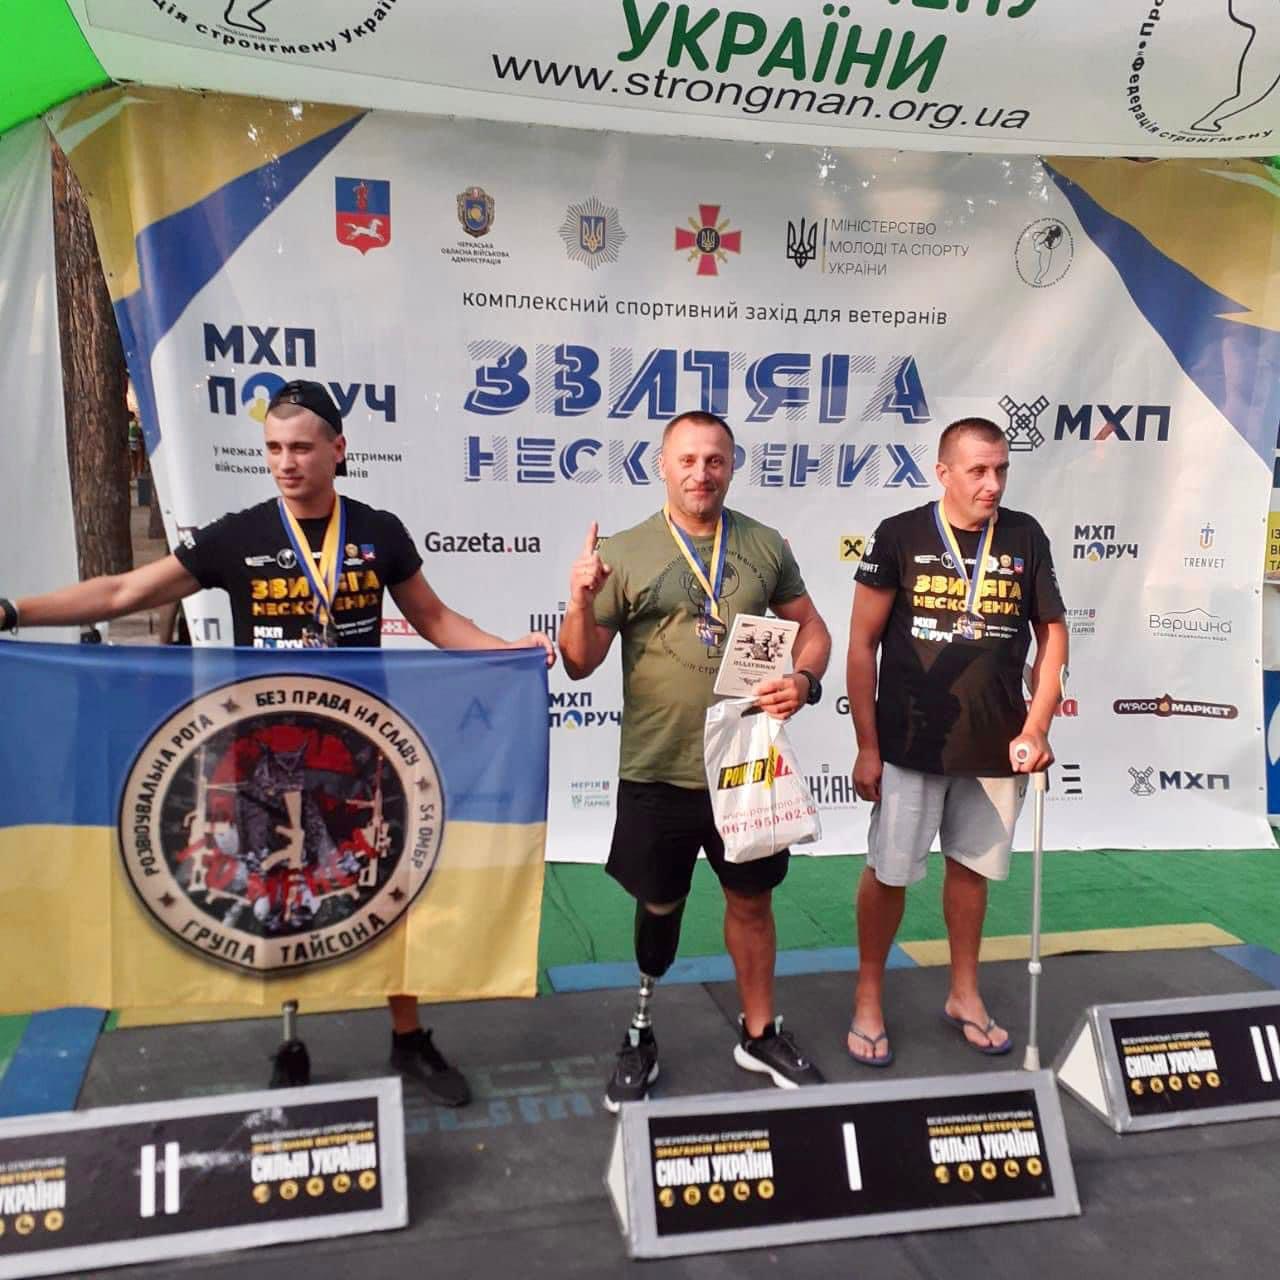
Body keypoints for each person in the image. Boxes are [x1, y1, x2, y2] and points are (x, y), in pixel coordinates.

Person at [0, 379, 554, 1107]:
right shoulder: (239, 535)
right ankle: (291, 1041)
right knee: (280, 895)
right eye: (273, 449)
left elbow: (436, 620)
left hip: (360, 754)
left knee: (389, 893)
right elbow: (122, 594)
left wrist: (508, 652)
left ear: (337, 449)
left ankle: (409, 1036)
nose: (285, 463)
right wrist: (13, 610)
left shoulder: (378, 532)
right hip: (260, 758)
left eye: (300, 447)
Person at [558, 410, 832, 1111]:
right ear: (662, 465)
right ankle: (640, 1030)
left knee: (752, 901)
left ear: (732, 465)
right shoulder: (625, 551)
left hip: (745, 768)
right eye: (687, 459)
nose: (700, 472)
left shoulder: (763, 544)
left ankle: (760, 1032)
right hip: (658, 767)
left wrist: (804, 680)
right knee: (659, 905)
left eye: (714, 459)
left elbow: (813, 628)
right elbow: (580, 662)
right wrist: (579, 601)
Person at [845, 417, 1066, 1067]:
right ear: (943, 472)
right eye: (978, 470)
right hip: (910, 743)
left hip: (997, 744)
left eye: (1001, 469)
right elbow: (860, 645)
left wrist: (1037, 726)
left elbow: (1053, 635)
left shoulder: (1025, 535)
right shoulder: (900, 535)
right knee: (889, 872)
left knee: (971, 871)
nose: (992, 483)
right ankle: (867, 996)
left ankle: (964, 993)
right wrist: (866, 745)